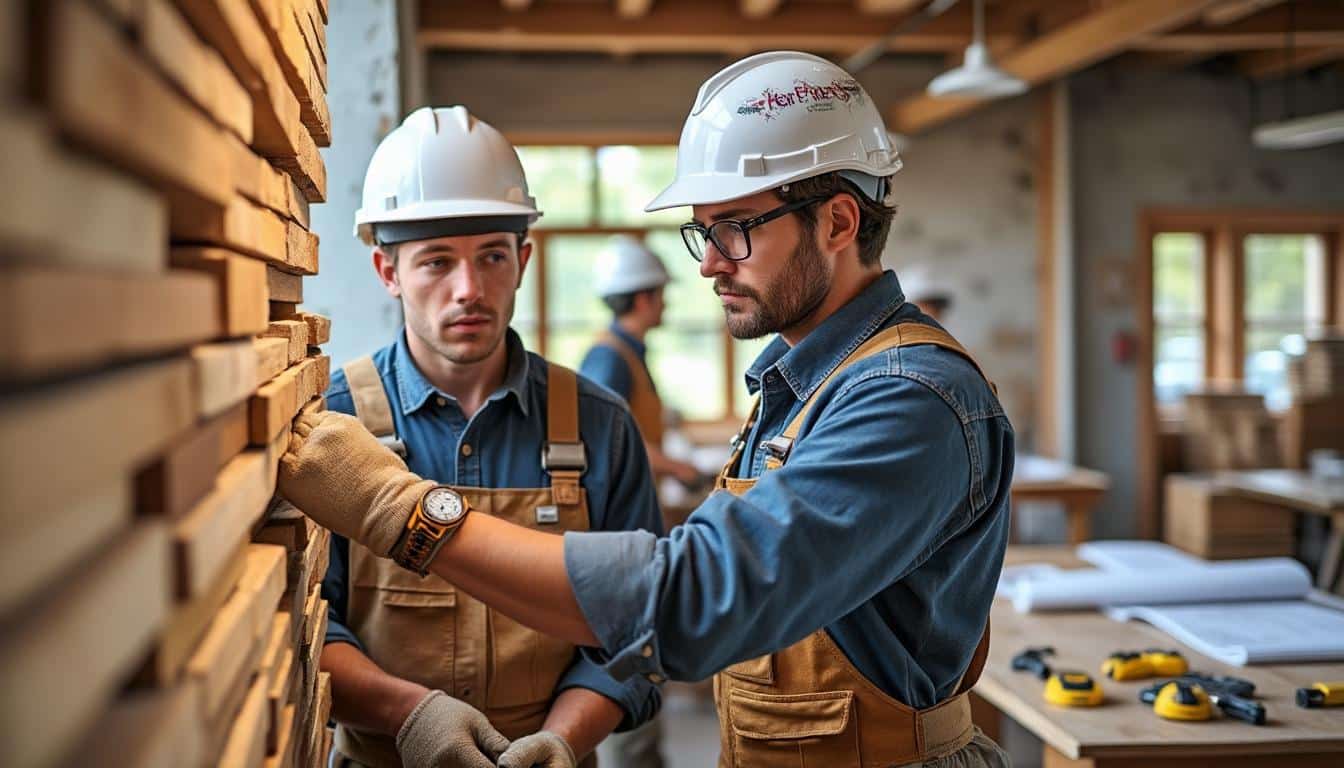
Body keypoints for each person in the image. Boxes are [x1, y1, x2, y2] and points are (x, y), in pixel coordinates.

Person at [284, 52, 1014, 767]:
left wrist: (403, 512)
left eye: (736, 228)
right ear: (389, 271)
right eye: (704, 231)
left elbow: (693, 597)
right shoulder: (801, 391)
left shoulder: (906, 398)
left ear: (838, 222)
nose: (708, 263)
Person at [316, 105, 662, 768]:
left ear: (524, 259)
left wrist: (561, 739)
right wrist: (408, 715)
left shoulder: (599, 425)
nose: (468, 290)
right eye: (437, 262)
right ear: (388, 272)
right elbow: (306, 621)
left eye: (492, 257)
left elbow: (638, 630)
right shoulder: (336, 427)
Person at [580, 235, 700, 490]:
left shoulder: (627, 353)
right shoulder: (609, 357)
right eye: (661, 294)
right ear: (643, 299)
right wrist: (678, 468)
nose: (666, 304)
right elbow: (608, 438)